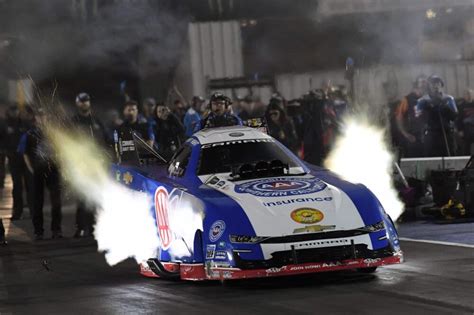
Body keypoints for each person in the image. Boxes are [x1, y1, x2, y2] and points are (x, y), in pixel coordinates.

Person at [19, 108, 62, 240]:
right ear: (36, 118)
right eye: (40, 116)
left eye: (44, 116)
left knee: (56, 201)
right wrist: (31, 169)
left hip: (53, 170)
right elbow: (24, 152)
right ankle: (39, 231)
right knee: (38, 202)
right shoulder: (30, 134)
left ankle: (56, 230)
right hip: (37, 171)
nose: (42, 118)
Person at [71, 92, 108, 238]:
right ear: (77, 103)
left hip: (97, 164)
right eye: (81, 101)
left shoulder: (96, 121)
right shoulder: (74, 121)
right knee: (81, 197)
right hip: (81, 164)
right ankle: (80, 227)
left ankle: (93, 227)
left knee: (95, 196)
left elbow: (106, 139)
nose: (84, 103)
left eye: (86, 101)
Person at [416, 75, 458, 157]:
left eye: (438, 83)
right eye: (433, 84)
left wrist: (444, 106)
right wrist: (428, 108)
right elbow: (418, 119)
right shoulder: (422, 101)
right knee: (430, 158)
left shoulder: (449, 99)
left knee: (450, 157)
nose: (436, 86)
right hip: (431, 133)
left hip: (447, 133)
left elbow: (455, 116)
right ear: (429, 86)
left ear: (441, 85)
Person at [2, 106, 29, 220]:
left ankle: (32, 210)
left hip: (26, 159)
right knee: (17, 186)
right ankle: (18, 211)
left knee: (30, 185)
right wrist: (6, 151)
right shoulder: (5, 124)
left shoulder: (24, 124)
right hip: (13, 158)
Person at [395, 75, 427, 157]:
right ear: (417, 84)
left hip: (427, 138)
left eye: (425, 82)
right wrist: (405, 134)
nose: (424, 84)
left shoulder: (427, 99)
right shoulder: (407, 99)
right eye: (422, 82)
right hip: (413, 138)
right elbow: (399, 118)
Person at [456, 89, 474, 155]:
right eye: (467, 94)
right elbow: (458, 119)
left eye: (470, 94)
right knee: (466, 145)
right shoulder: (461, 106)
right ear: (464, 96)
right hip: (466, 128)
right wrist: (460, 130)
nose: (469, 96)